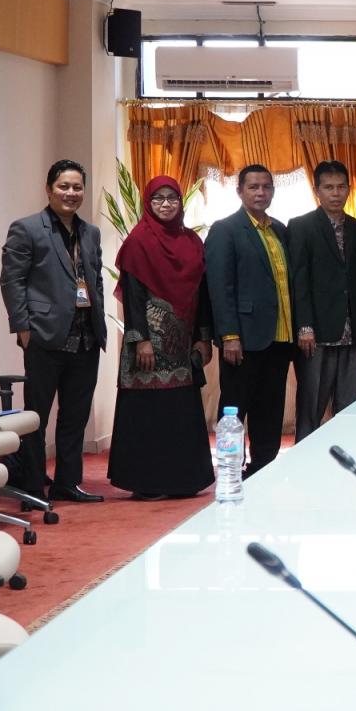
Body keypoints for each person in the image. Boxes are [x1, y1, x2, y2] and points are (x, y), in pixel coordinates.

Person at [0, 159, 108, 502]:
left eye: (77, 187)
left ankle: (67, 482)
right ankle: (32, 483)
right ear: (49, 189)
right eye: (64, 186)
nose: (71, 193)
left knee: (75, 416)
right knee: (37, 416)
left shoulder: (91, 233)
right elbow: (12, 281)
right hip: (44, 336)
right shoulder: (27, 228)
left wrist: (99, 321)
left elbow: (96, 281)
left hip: (86, 337)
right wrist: (22, 327)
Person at [106, 176, 214, 500]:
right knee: (148, 412)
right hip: (148, 347)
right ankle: (148, 482)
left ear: (181, 203)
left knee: (180, 411)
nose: (166, 204)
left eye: (172, 198)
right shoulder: (138, 242)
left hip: (182, 346)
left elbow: (202, 295)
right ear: (148, 204)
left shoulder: (193, 243)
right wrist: (140, 339)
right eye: (158, 199)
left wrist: (203, 338)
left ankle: (183, 480)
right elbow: (134, 297)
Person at [205, 164, 293, 477]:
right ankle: (230, 468)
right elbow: (219, 286)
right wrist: (229, 335)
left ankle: (264, 467)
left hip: (280, 337)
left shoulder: (280, 229)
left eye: (266, 187)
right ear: (240, 191)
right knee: (234, 408)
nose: (260, 192)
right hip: (242, 338)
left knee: (270, 408)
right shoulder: (225, 229)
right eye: (253, 187)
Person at [288, 161, 356, 440]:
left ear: (349, 189)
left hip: (353, 333)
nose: (336, 193)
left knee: (350, 407)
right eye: (329, 187)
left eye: (341, 187)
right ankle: (303, 464)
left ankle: (344, 462)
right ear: (317, 191)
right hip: (317, 333)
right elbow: (298, 280)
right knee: (312, 404)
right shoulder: (301, 227)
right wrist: (304, 326)